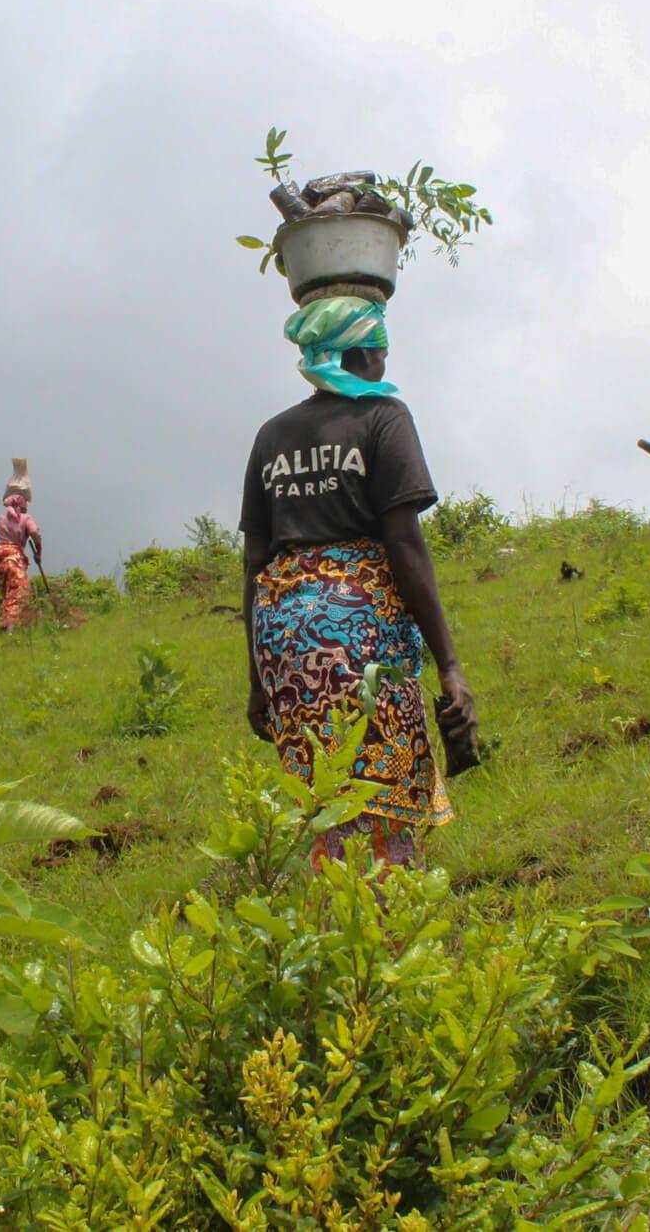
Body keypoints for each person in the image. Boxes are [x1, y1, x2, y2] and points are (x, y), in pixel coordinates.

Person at [239, 293, 477, 868]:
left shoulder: (272, 435)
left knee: (323, 790)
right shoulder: (383, 417)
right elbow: (404, 543)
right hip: (358, 630)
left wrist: (258, 680)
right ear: (361, 354)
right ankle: (385, 909)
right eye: (381, 349)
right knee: (378, 779)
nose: (385, 361)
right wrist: (448, 664)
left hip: (284, 637)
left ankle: (336, 905)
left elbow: (254, 563)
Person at [0, 491, 41, 632]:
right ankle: (9, 633)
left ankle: (5, 628)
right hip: (12, 559)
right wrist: (39, 551)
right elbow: (35, 533)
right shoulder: (26, 518)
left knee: (8, 595)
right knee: (20, 592)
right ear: (23, 505)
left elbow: (2, 535)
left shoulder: (1, 519)